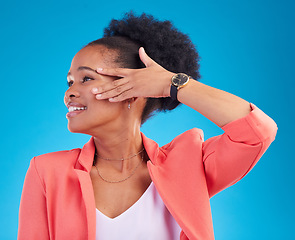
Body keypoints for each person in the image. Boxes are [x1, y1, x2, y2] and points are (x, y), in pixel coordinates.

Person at [18, 12, 277, 240]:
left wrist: (172, 85)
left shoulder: (188, 165)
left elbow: (257, 133)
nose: (69, 93)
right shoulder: (47, 172)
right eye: (69, 82)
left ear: (133, 90)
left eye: (86, 78)